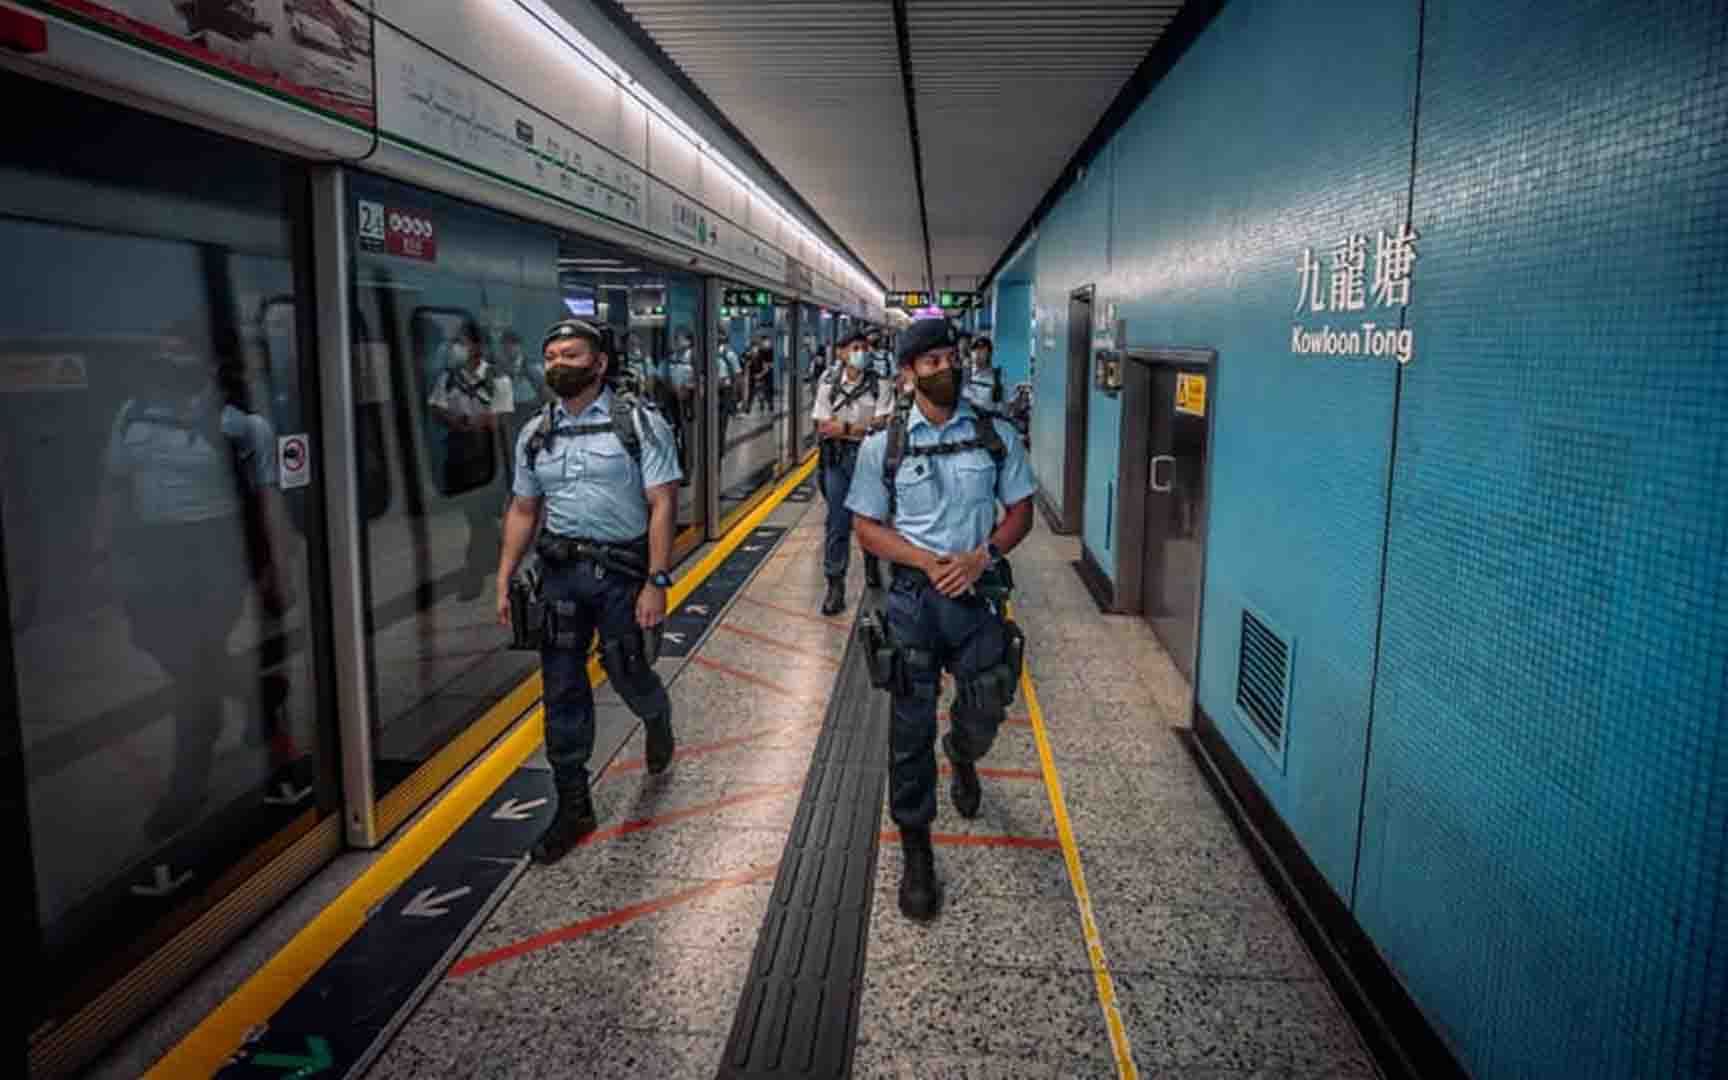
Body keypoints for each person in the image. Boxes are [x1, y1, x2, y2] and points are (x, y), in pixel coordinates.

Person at [847, 317, 1036, 920]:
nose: (947, 368)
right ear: (907, 376)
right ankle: (917, 846)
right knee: (908, 729)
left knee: (988, 701)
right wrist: (926, 562)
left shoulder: (994, 433)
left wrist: (985, 556)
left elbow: (1022, 510)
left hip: (976, 597)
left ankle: (963, 752)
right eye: (931, 363)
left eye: (950, 358)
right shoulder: (884, 445)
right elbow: (867, 529)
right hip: (914, 602)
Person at [94, 320, 294, 839]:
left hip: (216, 551)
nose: (168, 363)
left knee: (193, 667)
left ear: (207, 364)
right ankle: (258, 691)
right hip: (153, 550)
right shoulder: (131, 415)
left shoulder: (242, 427)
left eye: (179, 353)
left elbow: (269, 501)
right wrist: (108, 557)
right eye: (162, 353)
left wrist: (277, 568)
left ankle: (187, 781)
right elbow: (114, 489)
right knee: (163, 646)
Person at [496, 319, 682, 863]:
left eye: (571, 355)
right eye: (551, 354)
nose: (558, 364)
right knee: (561, 690)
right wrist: (505, 574)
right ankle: (574, 804)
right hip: (558, 576)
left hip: (622, 575)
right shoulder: (536, 434)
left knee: (627, 671)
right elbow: (524, 508)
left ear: (599, 363)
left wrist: (657, 581)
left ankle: (656, 716)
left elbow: (663, 503)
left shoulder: (639, 425)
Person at [427, 321, 513, 599]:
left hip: (487, 454)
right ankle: (491, 557)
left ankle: (474, 574)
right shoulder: (448, 378)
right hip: (459, 454)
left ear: (478, 346)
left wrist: (476, 423)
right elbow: (436, 408)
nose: (457, 348)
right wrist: (459, 421)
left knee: (480, 516)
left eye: (462, 342)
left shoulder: (498, 377)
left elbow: (500, 417)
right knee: (476, 515)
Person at [811, 332, 892, 614]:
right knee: (837, 522)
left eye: (864, 348)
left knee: (871, 516)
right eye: (855, 348)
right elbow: (823, 426)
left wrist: (845, 428)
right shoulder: (828, 385)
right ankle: (835, 584)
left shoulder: (880, 384)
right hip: (837, 460)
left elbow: (883, 424)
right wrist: (862, 426)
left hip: (869, 458)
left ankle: (872, 563)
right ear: (841, 353)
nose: (862, 352)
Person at [962, 335, 1003, 411]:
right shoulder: (963, 373)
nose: (977, 353)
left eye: (982, 350)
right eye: (974, 349)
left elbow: (1001, 407)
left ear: (989, 354)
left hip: (985, 419)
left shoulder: (996, 377)